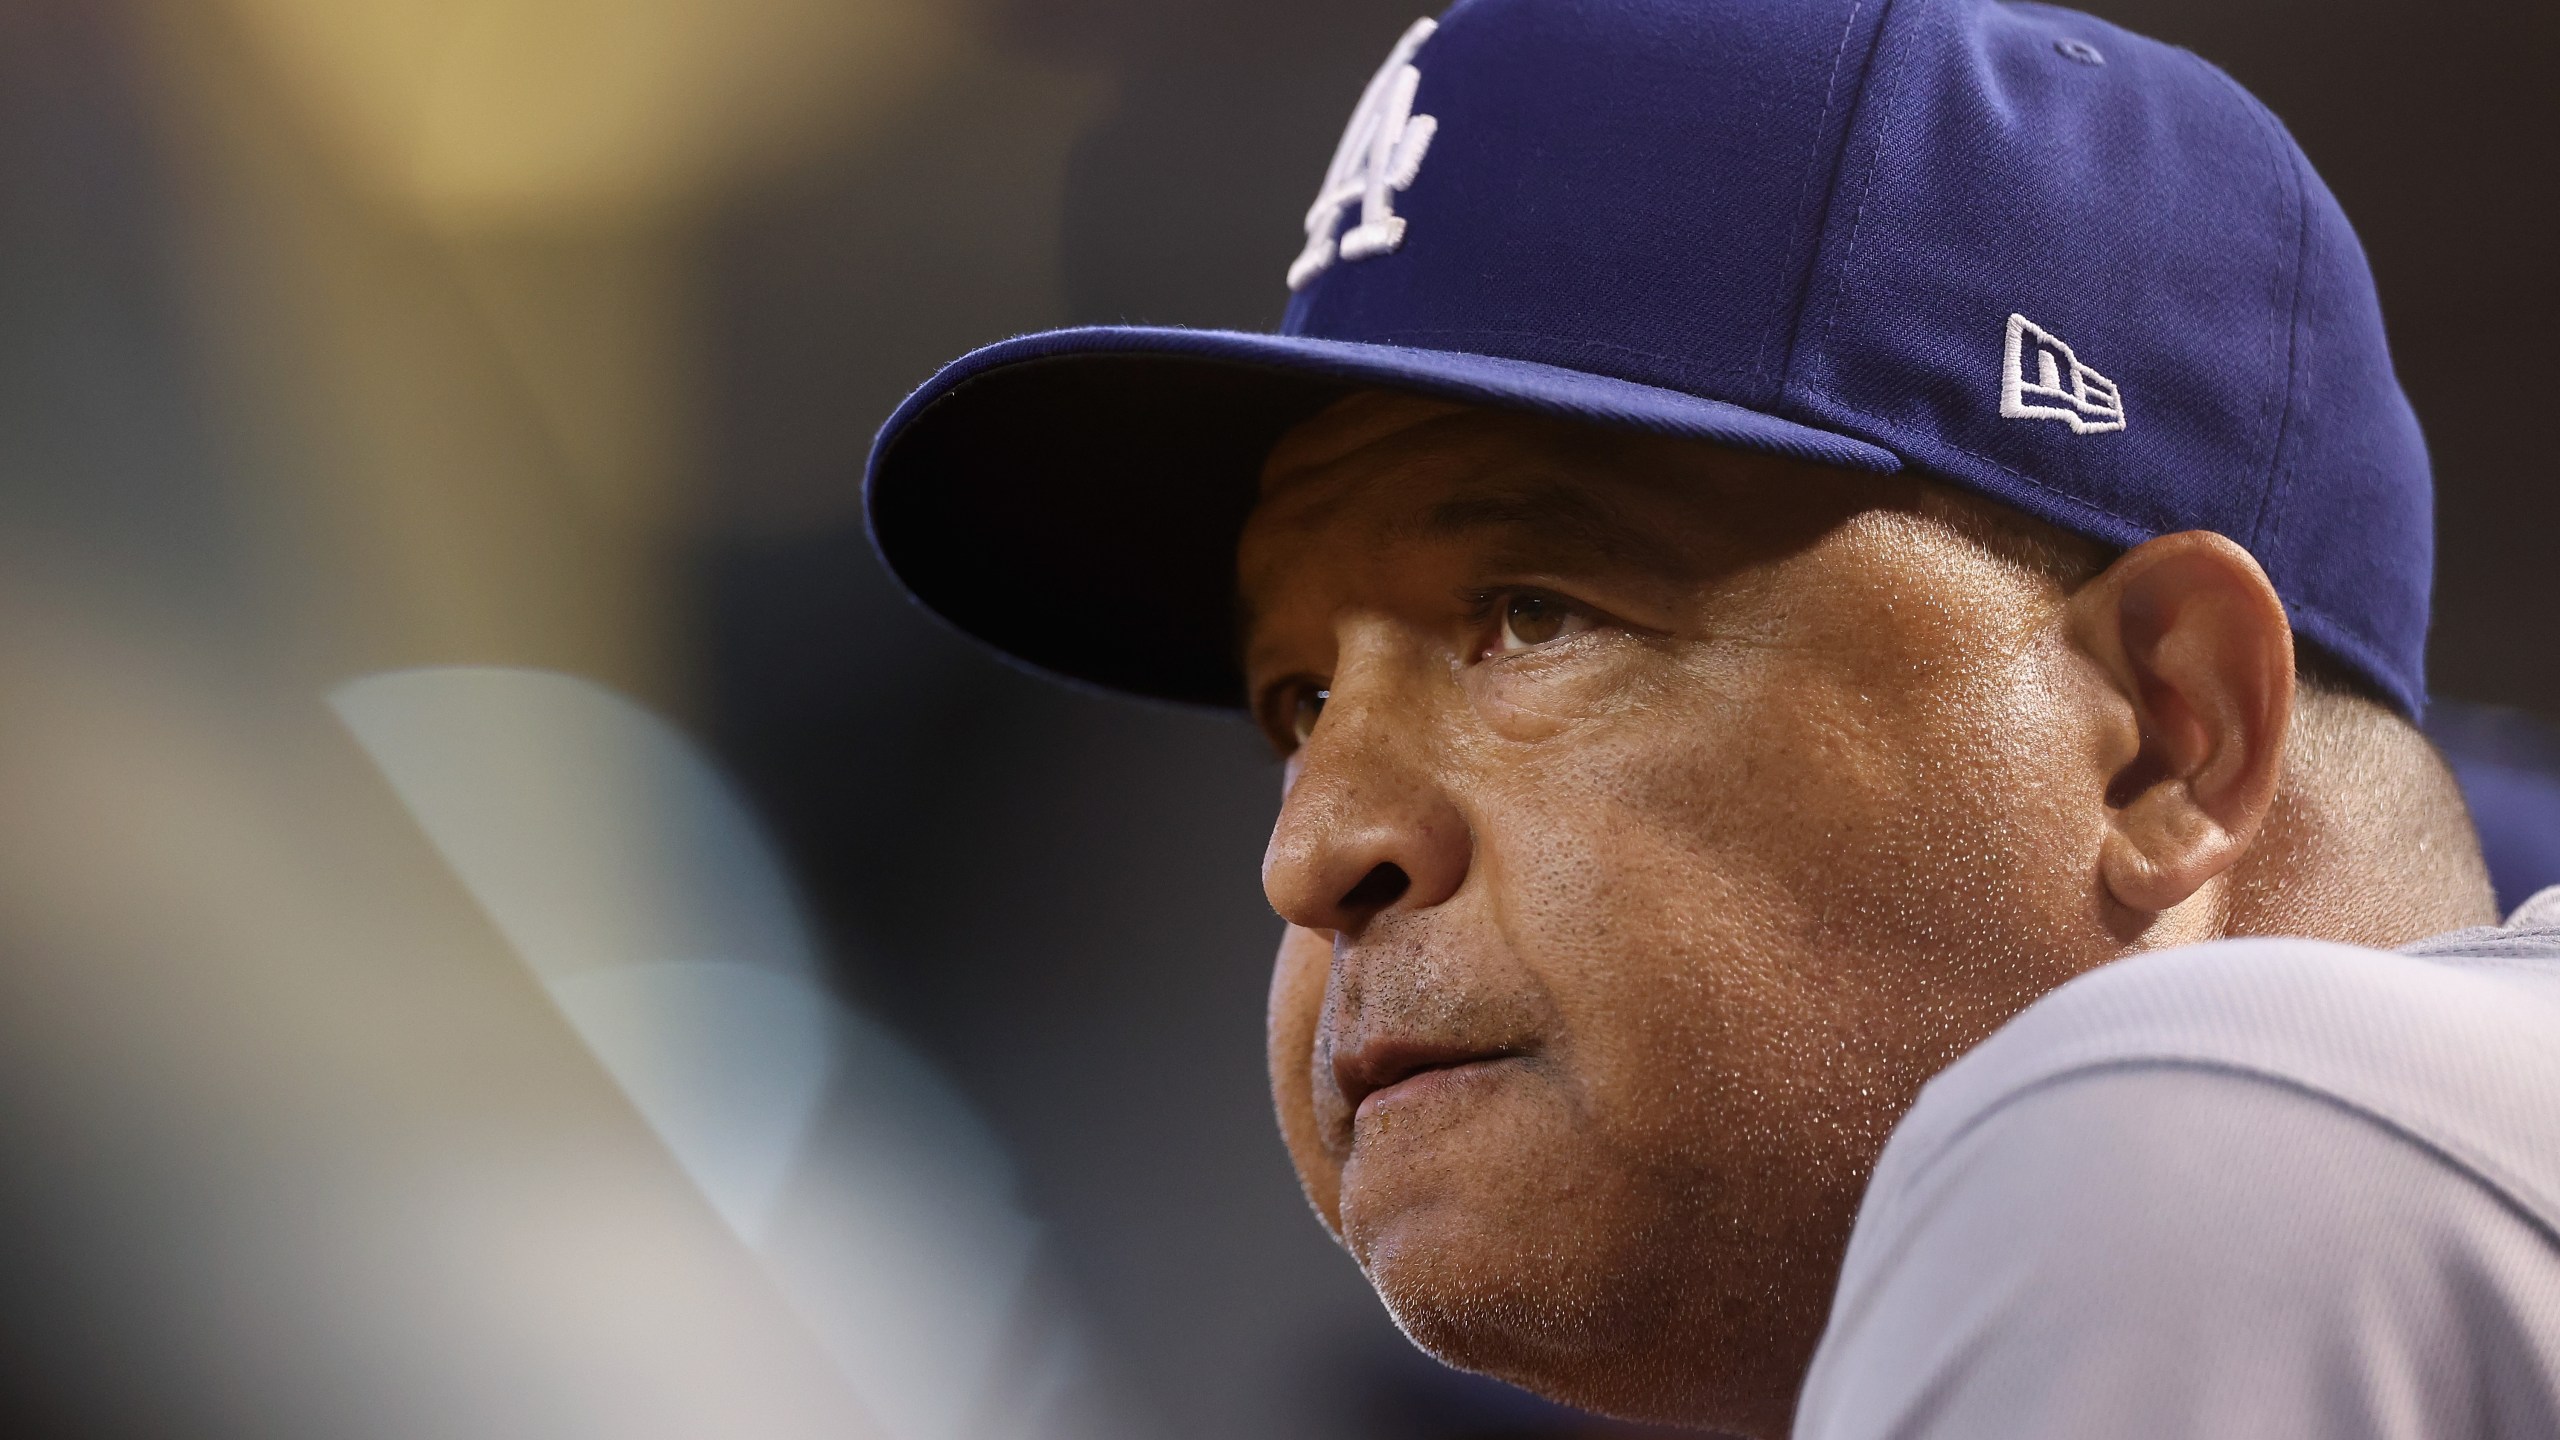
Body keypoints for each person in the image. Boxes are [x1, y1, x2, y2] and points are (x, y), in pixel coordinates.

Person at [862, 0, 2560, 1434]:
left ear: (2166, 731)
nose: (1317, 851)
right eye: (1298, 703)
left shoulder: (2197, 1146)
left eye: (1532, 618)